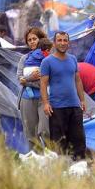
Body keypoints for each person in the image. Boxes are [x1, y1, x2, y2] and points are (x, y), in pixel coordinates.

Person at [39, 31, 87, 160]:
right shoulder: (47, 61)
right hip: (57, 107)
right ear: (54, 43)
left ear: (68, 43)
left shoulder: (73, 59)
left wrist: (82, 100)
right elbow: (43, 84)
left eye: (65, 40)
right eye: (59, 40)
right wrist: (46, 103)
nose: (62, 43)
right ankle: (62, 170)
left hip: (74, 106)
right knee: (59, 141)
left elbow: (77, 80)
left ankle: (80, 166)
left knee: (78, 139)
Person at [17, 28, 51, 150]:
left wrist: (27, 81)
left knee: (46, 131)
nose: (32, 42)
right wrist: (31, 79)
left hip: (45, 100)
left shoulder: (49, 57)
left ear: (41, 39)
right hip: (27, 99)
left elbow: (49, 80)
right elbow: (19, 78)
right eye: (29, 40)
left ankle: (50, 158)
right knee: (31, 134)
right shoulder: (24, 59)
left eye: (34, 39)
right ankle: (36, 161)